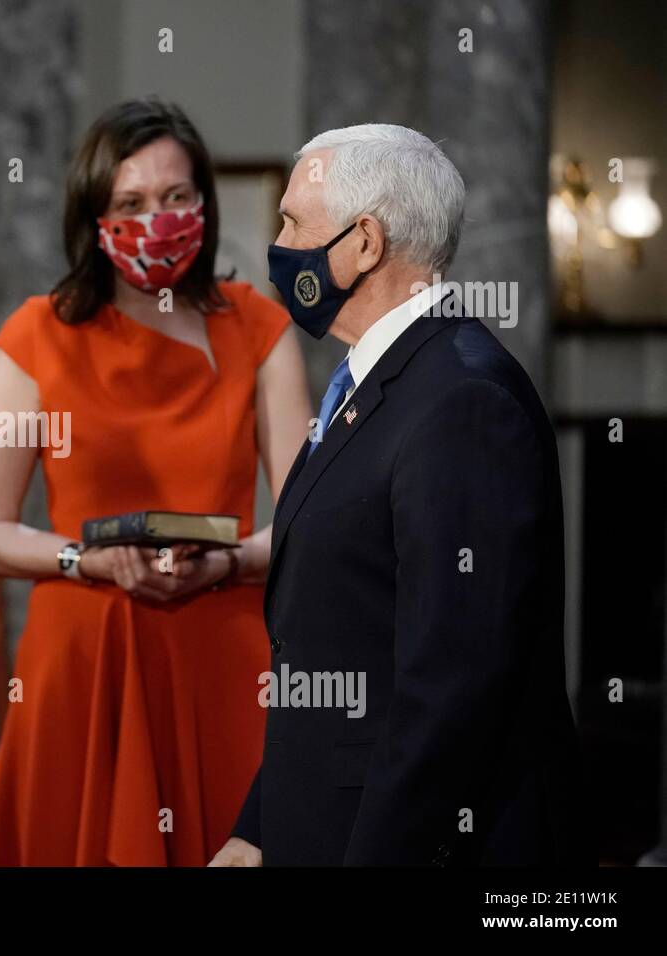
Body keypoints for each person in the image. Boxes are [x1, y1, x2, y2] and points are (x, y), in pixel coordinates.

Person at [210, 124, 589, 867]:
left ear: (364, 243)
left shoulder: (462, 399)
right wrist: (262, 821)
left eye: (292, 223)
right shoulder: (374, 380)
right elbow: (334, 641)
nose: (278, 245)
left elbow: (451, 687)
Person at [0, 99, 312, 866]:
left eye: (176, 197)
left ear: (205, 205)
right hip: (83, 661)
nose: (158, 217)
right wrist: (79, 560)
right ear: (94, 215)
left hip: (221, 650)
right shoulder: (37, 335)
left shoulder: (259, 327)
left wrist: (229, 562)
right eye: (130, 203)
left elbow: (306, 518)